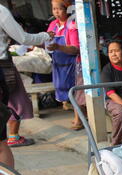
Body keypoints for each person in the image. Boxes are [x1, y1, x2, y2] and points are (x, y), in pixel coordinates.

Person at [0, 5, 53, 147]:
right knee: (17, 102)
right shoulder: (1, 11)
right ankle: (12, 137)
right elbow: (23, 37)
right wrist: (46, 35)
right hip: (3, 66)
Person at [47, 0, 86, 130]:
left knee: (75, 91)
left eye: (59, 9)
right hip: (59, 63)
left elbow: (75, 49)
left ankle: (78, 120)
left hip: (73, 64)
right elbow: (46, 41)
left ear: (67, 9)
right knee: (65, 89)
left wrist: (58, 46)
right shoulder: (53, 25)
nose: (56, 12)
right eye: (53, 9)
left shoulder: (72, 25)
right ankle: (81, 115)